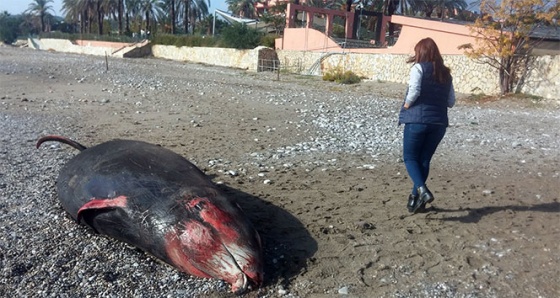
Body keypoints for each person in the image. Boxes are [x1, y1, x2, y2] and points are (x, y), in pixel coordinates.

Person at [398, 37, 455, 213]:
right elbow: (451, 102)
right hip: (439, 123)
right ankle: (415, 199)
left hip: (417, 120)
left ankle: (422, 190)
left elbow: (414, 90)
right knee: (424, 160)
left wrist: (407, 105)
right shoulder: (446, 74)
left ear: (420, 53)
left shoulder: (418, 68)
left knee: (409, 157)